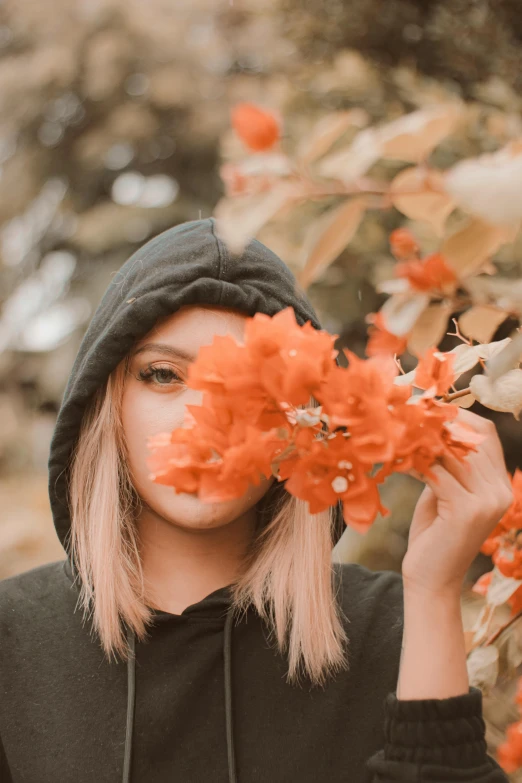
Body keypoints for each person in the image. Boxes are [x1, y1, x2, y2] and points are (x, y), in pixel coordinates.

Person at [0, 217, 512, 782]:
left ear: (312, 418)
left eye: (254, 386)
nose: (208, 416)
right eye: (164, 374)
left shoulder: (388, 627)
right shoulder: (13, 639)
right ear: (106, 404)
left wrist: (436, 591)